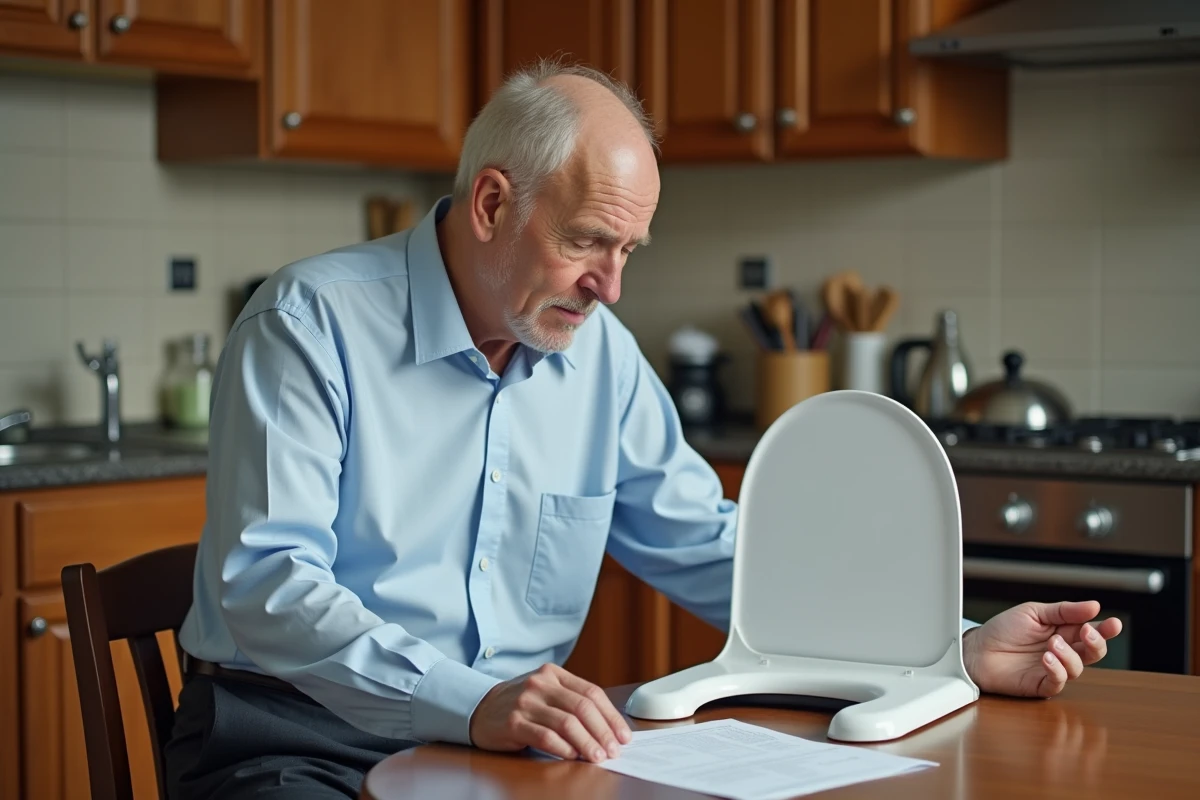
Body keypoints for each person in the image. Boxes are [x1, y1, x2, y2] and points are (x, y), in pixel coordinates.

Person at [165, 61, 1122, 799]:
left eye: (628, 252)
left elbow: (716, 549)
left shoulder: (600, 354)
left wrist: (948, 649)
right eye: (588, 242)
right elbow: (270, 585)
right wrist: (475, 702)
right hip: (295, 739)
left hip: (517, 747)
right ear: (494, 203)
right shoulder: (308, 324)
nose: (612, 287)